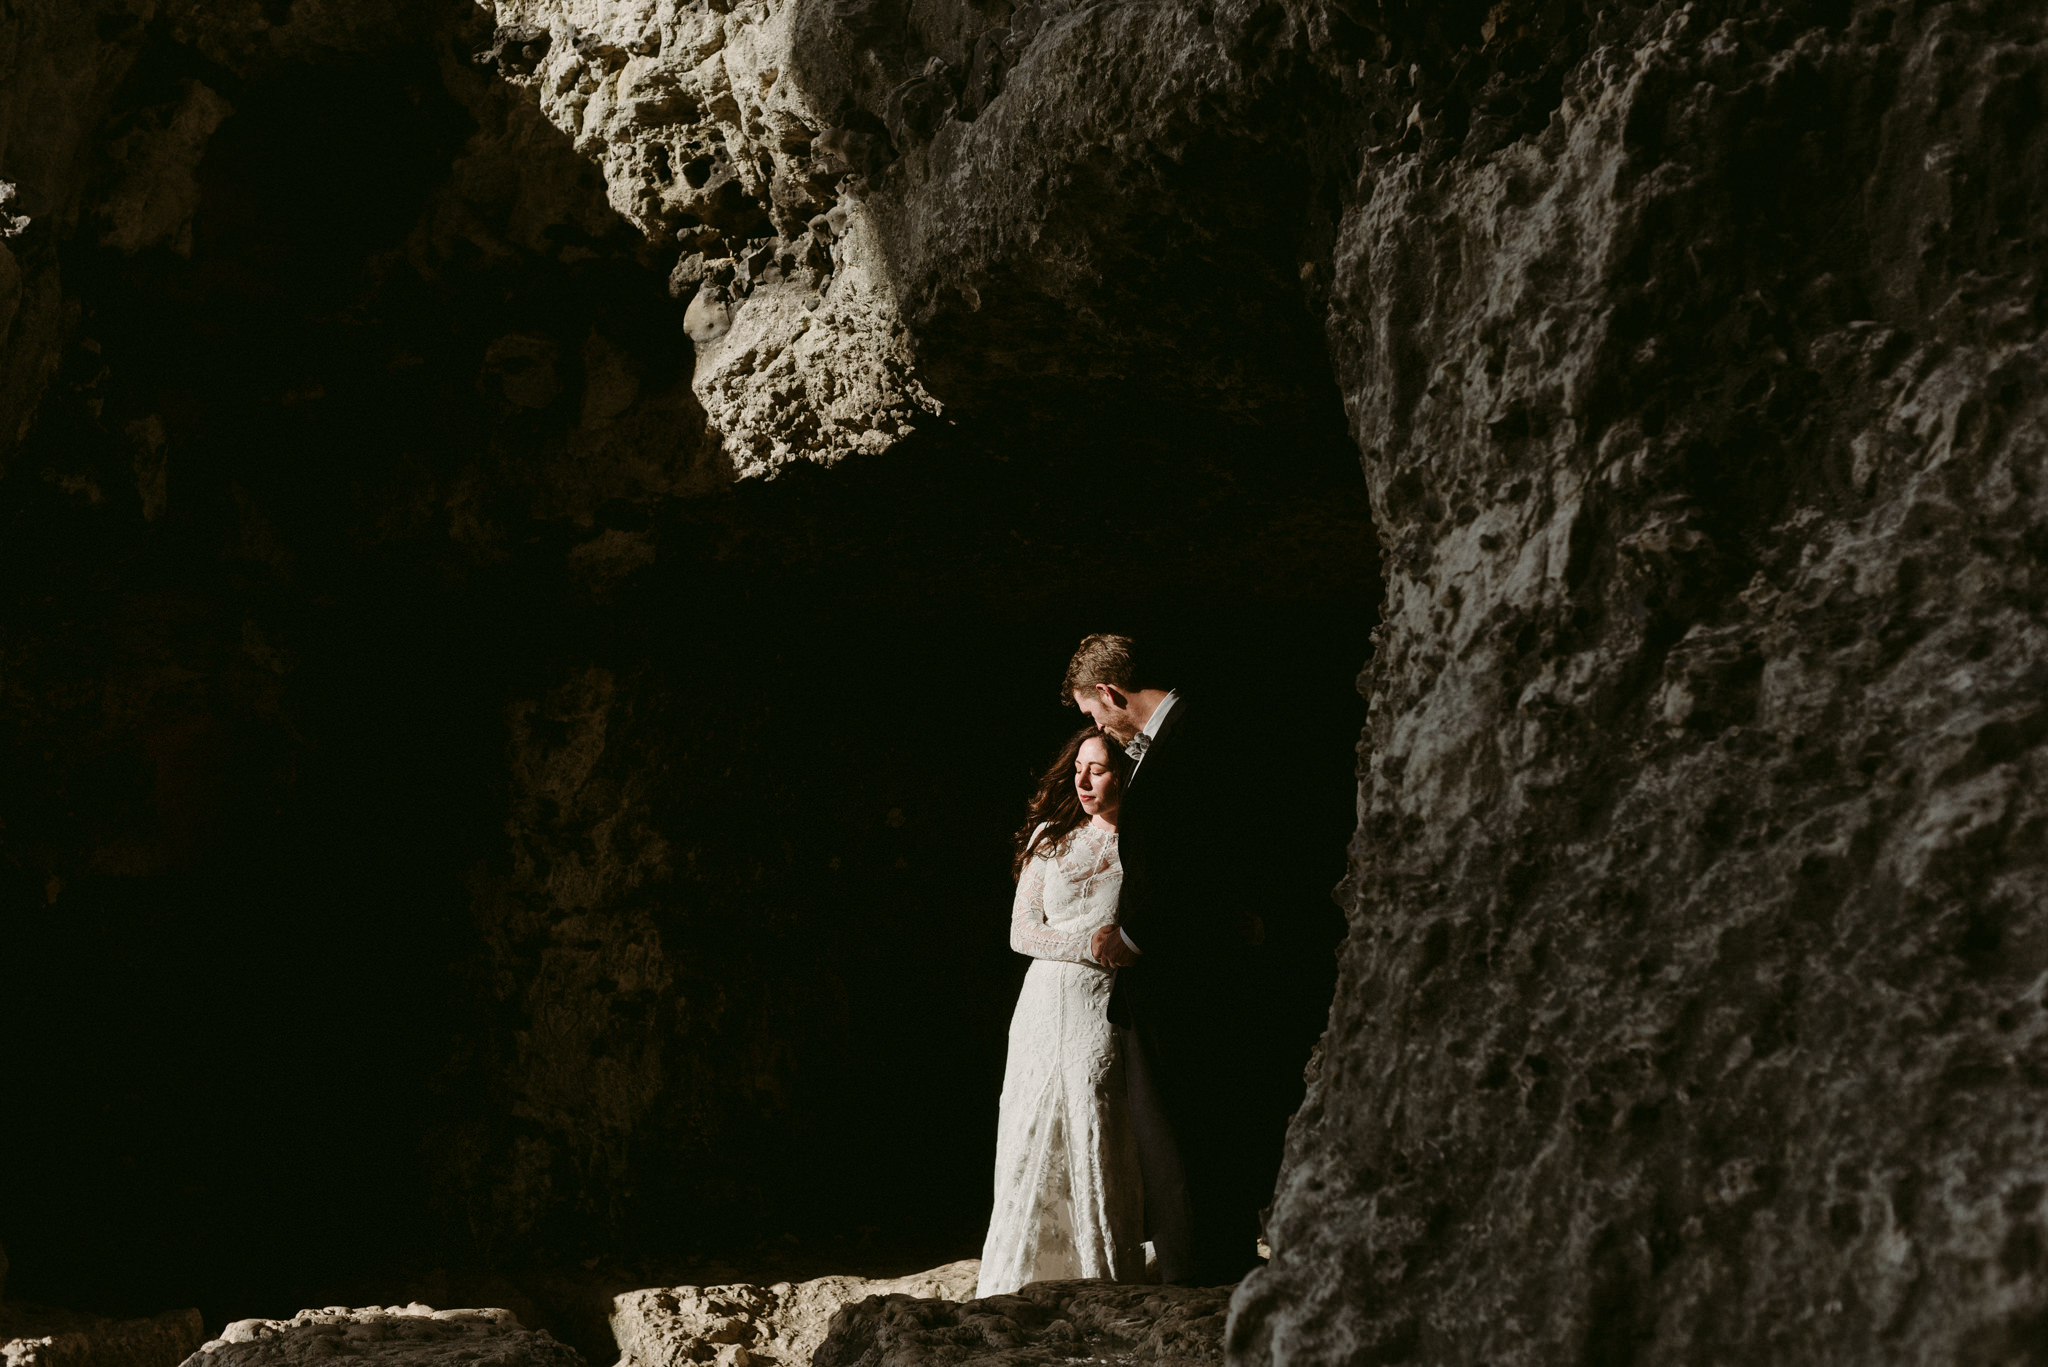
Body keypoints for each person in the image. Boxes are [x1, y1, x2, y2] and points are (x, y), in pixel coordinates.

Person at [1064, 632, 1283, 1286]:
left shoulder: (1193, 740)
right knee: (1203, 1122)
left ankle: (1201, 1275)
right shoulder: (1189, 734)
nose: (1097, 725)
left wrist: (1134, 935)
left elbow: (1194, 854)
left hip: (1182, 975)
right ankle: (1217, 1262)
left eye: (1093, 712)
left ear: (1110, 691)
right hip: (1201, 959)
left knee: (1180, 1134)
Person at [975, 726, 1146, 1297]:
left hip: (1103, 1005)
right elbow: (1021, 932)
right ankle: (1018, 1276)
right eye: (1078, 768)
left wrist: (1113, 949)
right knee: (1029, 1125)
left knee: (1095, 1114)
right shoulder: (1050, 836)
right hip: (1045, 1000)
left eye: (1096, 769)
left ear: (1123, 772)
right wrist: (1085, 946)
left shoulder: (1143, 841)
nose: (1082, 779)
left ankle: (1099, 1272)